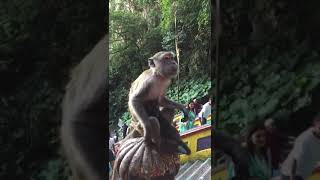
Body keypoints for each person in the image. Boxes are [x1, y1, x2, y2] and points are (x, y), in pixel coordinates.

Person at [280, 112, 320, 180]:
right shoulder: (305, 139)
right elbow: (294, 160)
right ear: (315, 124)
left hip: (304, 174)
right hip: (291, 174)